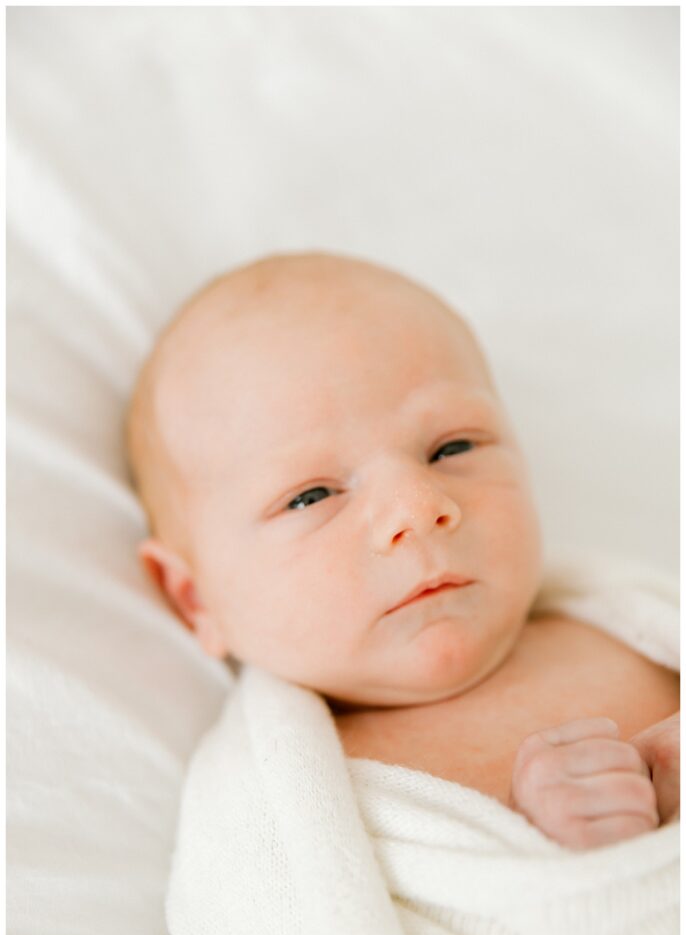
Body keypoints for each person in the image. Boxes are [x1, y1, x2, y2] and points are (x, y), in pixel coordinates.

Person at [126, 251, 679, 850]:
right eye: (312, 496)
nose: (417, 506)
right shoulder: (280, 810)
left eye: (453, 447)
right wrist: (543, 850)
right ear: (194, 598)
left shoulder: (634, 623)